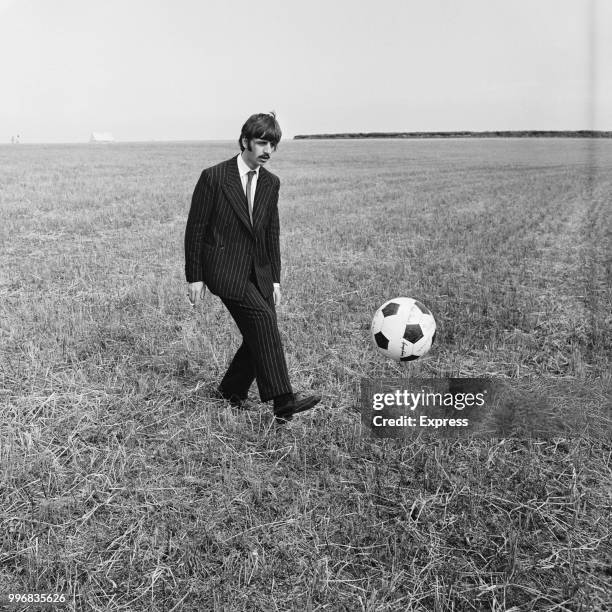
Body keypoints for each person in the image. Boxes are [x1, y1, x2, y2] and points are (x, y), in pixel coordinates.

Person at [184, 112, 321, 424]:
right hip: (223, 268)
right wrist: (195, 276)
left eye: (273, 144)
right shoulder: (214, 177)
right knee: (261, 319)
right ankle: (283, 401)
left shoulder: (271, 183)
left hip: (257, 271)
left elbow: (271, 232)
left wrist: (274, 279)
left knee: (259, 331)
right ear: (245, 140)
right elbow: (196, 229)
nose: (268, 150)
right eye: (262, 142)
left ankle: (231, 391)